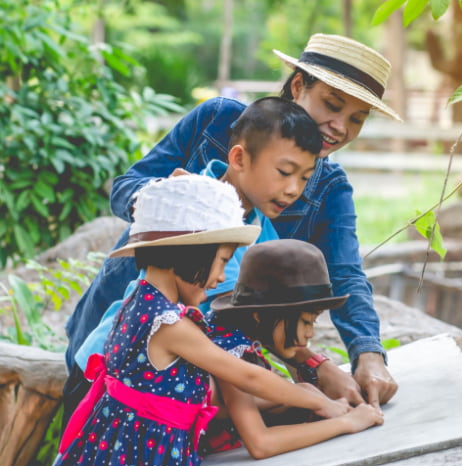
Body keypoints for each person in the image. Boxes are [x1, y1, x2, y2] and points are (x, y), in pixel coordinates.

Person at [64, 33, 400, 413]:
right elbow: (126, 186)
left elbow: (344, 275)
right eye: (332, 105)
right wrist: (169, 202)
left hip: (198, 364)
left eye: (357, 119)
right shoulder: (218, 120)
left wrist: (368, 353)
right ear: (297, 86)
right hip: (116, 322)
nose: (340, 127)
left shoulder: (327, 192)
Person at [34, 176, 380, 466]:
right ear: (190, 253)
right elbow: (248, 376)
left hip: (125, 464)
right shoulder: (168, 323)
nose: (219, 278)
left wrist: (305, 393)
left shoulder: (140, 303)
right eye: (222, 260)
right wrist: (330, 409)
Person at [61, 96, 321, 425]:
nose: (293, 188)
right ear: (239, 157)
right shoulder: (189, 214)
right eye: (284, 172)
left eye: (305, 178)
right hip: (106, 381)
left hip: (155, 383)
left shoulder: (263, 236)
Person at [200, 239, 384, 458]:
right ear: (261, 315)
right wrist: (348, 422)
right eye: (306, 322)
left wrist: (308, 395)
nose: (310, 334)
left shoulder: (228, 332)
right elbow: (261, 444)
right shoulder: (230, 351)